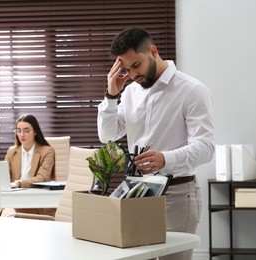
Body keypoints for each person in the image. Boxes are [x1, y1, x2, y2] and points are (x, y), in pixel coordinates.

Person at [97, 27, 215, 260]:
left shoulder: (192, 90)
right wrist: (111, 96)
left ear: (153, 51)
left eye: (136, 65)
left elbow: (206, 147)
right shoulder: (131, 92)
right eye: (126, 68)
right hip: (137, 194)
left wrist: (165, 158)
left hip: (178, 195)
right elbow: (107, 135)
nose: (132, 74)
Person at [0, 114, 55, 217]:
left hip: (37, 203)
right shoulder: (12, 152)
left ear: (35, 131)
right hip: (15, 199)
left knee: (8, 215)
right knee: (6, 213)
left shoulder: (47, 151)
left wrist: (19, 183)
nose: (22, 135)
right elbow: (3, 177)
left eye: (26, 131)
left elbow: (42, 178)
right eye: (18, 130)